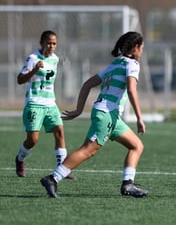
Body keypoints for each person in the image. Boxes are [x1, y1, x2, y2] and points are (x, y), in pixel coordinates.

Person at [40, 31, 148, 198]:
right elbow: (132, 90)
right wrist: (140, 118)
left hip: (109, 115)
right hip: (107, 113)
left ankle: (128, 184)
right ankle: (53, 178)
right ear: (135, 48)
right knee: (88, 150)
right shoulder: (132, 64)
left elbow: (87, 84)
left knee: (136, 146)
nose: (142, 51)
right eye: (141, 47)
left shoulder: (116, 63)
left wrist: (79, 110)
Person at [15, 30, 74, 179]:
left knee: (59, 131)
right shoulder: (33, 58)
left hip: (50, 103)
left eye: (54, 43)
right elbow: (20, 80)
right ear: (41, 43)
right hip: (34, 103)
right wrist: (34, 69)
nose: (52, 46)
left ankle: (62, 168)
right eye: (49, 43)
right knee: (33, 140)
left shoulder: (55, 59)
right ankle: (20, 159)